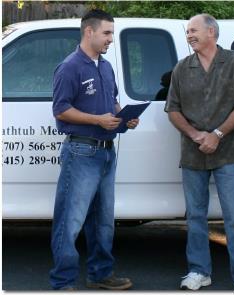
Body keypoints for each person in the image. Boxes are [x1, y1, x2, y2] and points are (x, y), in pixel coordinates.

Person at [165, 13, 234, 291]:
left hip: (228, 151)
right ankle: (198, 272)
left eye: (194, 30)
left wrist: (217, 135)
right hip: (193, 154)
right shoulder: (182, 68)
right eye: (187, 32)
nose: (189, 35)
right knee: (194, 215)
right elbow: (172, 109)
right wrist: (195, 135)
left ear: (212, 32)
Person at [49, 9, 139, 290]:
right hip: (81, 152)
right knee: (70, 220)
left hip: (107, 152)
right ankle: (63, 282)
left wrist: (124, 116)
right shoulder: (69, 67)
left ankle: (101, 274)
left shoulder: (105, 66)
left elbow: (110, 103)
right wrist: (97, 120)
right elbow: (61, 110)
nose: (111, 39)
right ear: (89, 32)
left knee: (103, 221)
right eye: (107, 33)